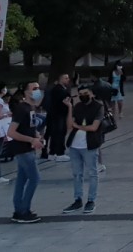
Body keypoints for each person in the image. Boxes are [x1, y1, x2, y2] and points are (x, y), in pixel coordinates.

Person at [62, 85, 104, 214]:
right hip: (75, 145)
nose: (83, 96)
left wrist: (77, 126)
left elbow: (94, 127)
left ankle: (91, 200)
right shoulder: (78, 106)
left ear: (91, 93)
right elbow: (69, 125)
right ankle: (77, 199)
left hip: (89, 144)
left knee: (92, 173)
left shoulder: (98, 107)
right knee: (77, 174)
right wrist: (70, 107)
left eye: (85, 93)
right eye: (80, 94)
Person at [7, 83, 46, 223]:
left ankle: (19, 210)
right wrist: (31, 140)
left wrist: (37, 136)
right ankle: (24, 210)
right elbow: (11, 132)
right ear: (26, 92)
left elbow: (30, 127)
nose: (37, 91)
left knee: (22, 179)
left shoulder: (30, 108)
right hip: (23, 149)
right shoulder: (22, 108)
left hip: (28, 148)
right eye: (34, 89)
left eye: (38, 88)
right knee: (34, 178)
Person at [44, 73, 71, 161]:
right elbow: (64, 102)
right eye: (66, 78)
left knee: (55, 134)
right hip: (59, 115)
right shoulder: (60, 90)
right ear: (61, 79)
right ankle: (59, 153)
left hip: (54, 114)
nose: (68, 79)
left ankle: (52, 153)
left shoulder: (56, 89)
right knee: (60, 133)